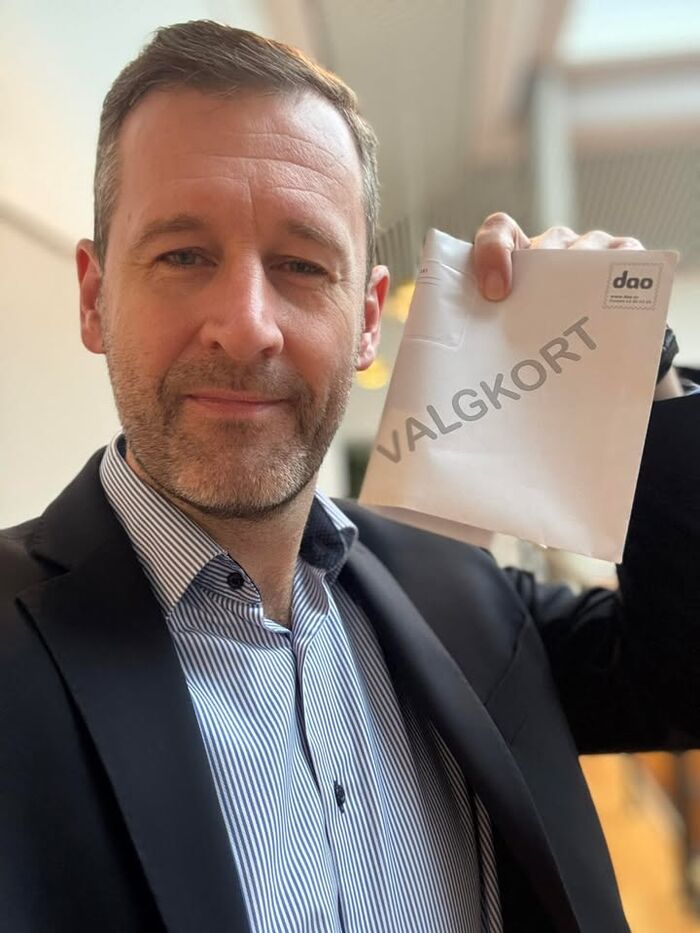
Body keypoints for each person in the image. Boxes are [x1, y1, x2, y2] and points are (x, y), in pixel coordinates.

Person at [0, 20, 696, 933]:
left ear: (368, 320)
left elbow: (681, 674)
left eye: (301, 265)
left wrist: (644, 365)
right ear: (94, 297)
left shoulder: (458, 596)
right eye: (183, 256)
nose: (247, 326)